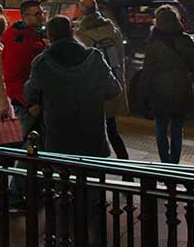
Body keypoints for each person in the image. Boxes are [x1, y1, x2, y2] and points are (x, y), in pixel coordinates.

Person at [24, 14, 119, 242]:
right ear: (72, 33)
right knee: (94, 198)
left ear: (49, 36)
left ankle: (62, 238)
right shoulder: (94, 58)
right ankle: (96, 241)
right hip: (92, 139)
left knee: (62, 194)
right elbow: (113, 89)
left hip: (59, 140)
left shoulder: (42, 63)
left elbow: (30, 94)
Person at [134, 5, 194, 164]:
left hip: (159, 90)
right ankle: (174, 161)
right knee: (177, 128)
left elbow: (147, 72)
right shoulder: (185, 40)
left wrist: (142, 94)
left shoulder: (153, 44)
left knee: (161, 127)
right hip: (181, 87)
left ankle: (165, 160)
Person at [0, 0, 47, 207]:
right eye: (36, 14)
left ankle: (30, 190)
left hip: (35, 101)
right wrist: (29, 103)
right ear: (25, 16)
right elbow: (14, 76)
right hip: (28, 104)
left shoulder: (32, 36)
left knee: (35, 147)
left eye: (42, 13)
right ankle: (16, 192)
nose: (41, 16)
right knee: (30, 148)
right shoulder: (19, 40)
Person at [73, 0, 128, 159]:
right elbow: (120, 58)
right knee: (112, 129)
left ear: (82, 12)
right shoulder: (113, 31)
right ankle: (126, 168)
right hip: (112, 84)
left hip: (92, 91)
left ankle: (98, 169)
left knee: (94, 133)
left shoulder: (81, 35)